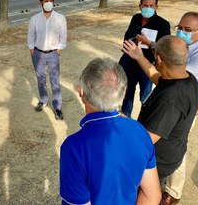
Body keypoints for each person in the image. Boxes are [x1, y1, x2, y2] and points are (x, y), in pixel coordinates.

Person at [60, 58, 161, 205]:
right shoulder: (140, 131)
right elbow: (152, 195)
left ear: (81, 92)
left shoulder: (74, 147)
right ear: (121, 95)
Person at [147, 12, 198, 205]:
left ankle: (173, 192)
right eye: (179, 28)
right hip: (176, 97)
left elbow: (172, 75)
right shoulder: (181, 49)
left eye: (187, 30)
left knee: (172, 148)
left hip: (184, 108)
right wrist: (151, 48)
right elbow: (172, 53)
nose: (182, 33)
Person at [123, 35, 198, 190]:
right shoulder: (187, 79)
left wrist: (121, 118)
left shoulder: (171, 99)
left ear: (158, 59)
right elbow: (158, 78)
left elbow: (147, 139)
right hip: (173, 152)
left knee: (147, 194)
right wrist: (139, 57)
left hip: (157, 161)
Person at [118, 0, 170, 117]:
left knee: (145, 96)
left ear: (156, 7)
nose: (148, 8)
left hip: (147, 65)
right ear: (140, 6)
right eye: (145, 5)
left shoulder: (163, 24)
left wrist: (148, 42)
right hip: (129, 62)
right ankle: (126, 118)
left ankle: (144, 120)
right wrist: (128, 43)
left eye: (151, 6)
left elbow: (164, 48)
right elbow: (127, 35)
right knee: (127, 92)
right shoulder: (136, 18)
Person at [27, 0, 67, 120]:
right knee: (41, 79)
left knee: (54, 80)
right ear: (41, 2)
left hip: (53, 53)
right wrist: (33, 52)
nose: (49, 3)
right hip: (38, 54)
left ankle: (57, 107)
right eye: (46, 1)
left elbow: (63, 38)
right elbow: (30, 37)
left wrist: (58, 51)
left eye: (51, 1)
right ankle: (43, 100)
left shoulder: (60, 18)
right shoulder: (35, 19)